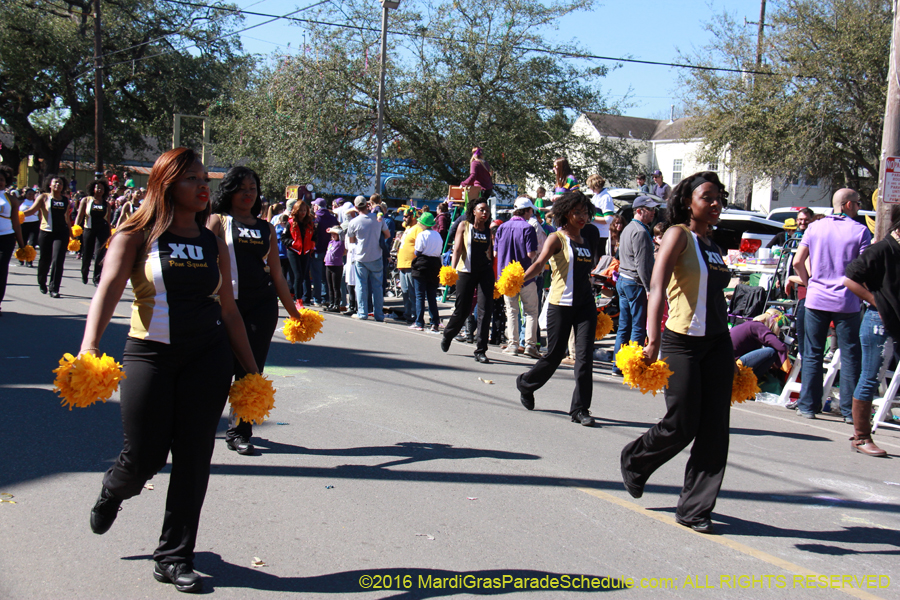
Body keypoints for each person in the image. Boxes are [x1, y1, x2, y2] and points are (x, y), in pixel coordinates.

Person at [83, 148, 258, 593]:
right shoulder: (136, 234)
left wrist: (251, 371)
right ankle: (115, 489)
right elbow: (108, 289)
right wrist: (89, 347)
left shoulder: (212, 241)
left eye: (204, 178)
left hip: (208, 357)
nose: (203, 186)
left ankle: (174, 556)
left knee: (194, 458)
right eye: (191, 179)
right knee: (144, 456)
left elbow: (229, 309)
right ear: (166, 184)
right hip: (150, 355)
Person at [620, 171, 733, 534]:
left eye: (718, 198)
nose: (715, 203)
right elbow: (656, 286)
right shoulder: (677, 235)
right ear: (688, 201)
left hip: (717, 342)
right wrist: (652, 340)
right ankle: (636, 460)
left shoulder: (712, 244)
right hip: (681, 341)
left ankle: (695, 508)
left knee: (715, 428)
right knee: (682, 422)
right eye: (707, 197)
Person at [208, 165, 302, 456]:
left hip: (261, 306)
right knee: (218, 368)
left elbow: (277, 274)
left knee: (251, 369)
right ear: (230, 191)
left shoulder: (266, 228)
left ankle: (240, 432)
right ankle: (202, 425)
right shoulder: (218, 221)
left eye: (253, 188)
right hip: (225, 305)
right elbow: (205, 263)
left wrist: (295, 312)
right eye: (242, 188)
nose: (248, 194)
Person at [515, 190, 597, 425]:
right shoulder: (556, 238)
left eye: (585, 212)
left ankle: (580, 409)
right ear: (566, 213)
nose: (582, 217)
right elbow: (539, 264)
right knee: (554, 355)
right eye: (577, 212)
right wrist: (518, 282)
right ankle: (526, 383)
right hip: (561, 304)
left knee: (584, 358)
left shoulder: (586, 239)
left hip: (585, 305)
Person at [792, 189, 870, 421]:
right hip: (847, 300)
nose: (858, 207)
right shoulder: (860, 231)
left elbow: (797, 261)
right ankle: (849, 411)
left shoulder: (815, 227)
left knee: (813, 353)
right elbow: (865, 269)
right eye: (857, 203)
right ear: (847, 205)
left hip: (817, 298)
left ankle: (808, 405)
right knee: (850, 355)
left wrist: (810, 283)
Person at [842, 204, 900, 457]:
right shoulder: (881, 249)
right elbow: (849, 278)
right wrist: (875, 301)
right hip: (879, 321)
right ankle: (861, 436)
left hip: (895, 321)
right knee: (871, 377)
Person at [440, 197, 495, 363]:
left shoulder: (488, 230)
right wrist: (452, 270)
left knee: (485, 311)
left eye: (487, 210)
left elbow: (490, 253)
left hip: (485, 272)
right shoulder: (464, 226)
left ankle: (481, 350)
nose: (485, 213)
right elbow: (457, 250)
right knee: (462, 310)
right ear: (473, 211)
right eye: (481, 210)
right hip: (466, 271)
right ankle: (449, 333)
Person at [613, 196, 660, 376]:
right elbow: (642, 265)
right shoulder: (640, 232)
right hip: (635, 283)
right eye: (650, 209)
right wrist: (649, 288)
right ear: (639, 211)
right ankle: (633, 367)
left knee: (624, 326)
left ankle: (618, 366)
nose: (653, 212)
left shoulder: (628, 229)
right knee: (638, 327)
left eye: (654, 209)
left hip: (624, 280)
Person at [495, 197, 540, 358]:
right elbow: (531, 254)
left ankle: (513, 345)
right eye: (531, 210)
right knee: (531, 311)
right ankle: (530, 345)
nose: (532, 213)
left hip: (506, 277)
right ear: (526, 211)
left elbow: (495, 253)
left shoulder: (502, 227)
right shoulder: (528, 228)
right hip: (526, 276)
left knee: (512, 311)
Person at [22, 175, 72, 298]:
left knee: (58, 260)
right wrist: (17, 216)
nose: (58, 185)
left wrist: (72, 234)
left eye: (60, 183)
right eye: (55, 183)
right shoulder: (43, 197)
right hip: (46, 232)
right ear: (50, 185)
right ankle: (41, 281)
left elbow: (67, 218)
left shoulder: (65, 200)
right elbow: (32, 211)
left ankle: (54, 288)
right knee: (45, 259)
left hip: (61, 233)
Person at [347, 195, 390, 321]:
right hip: (376, 255)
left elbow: (351, 240)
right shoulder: (378, 219)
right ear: (367, 205)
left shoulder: (353, 222)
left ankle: (362, 312)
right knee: (377, 287)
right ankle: (379, 314)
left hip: (360, 256)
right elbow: (387, 234)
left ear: (356, 207)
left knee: (361, 286)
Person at [730, 310, 791, 380]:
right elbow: (780, 346)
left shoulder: (749, 324)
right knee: (772, 352)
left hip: (729, 363)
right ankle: (754, 382)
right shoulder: (758, 326)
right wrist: (785, 368)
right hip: (734, 365)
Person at [75, 179, 113, 285]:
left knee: (99, 254)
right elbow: (80, 216)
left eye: (102, 188)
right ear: (93, 189)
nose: (99, 190)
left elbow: (108, 220)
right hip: (89, 229)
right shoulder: (86, 200)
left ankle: (97, 277)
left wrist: (110, 235)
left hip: (102, 230)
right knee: (87, 253)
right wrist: (76, 228)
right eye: (97, 188)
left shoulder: (107, 204)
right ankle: (84, 272)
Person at [411, 212, 443, 332]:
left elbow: (418, 251)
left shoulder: (422, 235)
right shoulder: (437, 235)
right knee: (431, 296)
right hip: (435, 265)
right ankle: (435, 322)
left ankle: (419, 322)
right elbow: (439, 251)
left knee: (420, 295)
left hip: (422, 264)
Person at [0, 166, 25, 315]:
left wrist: (22, 245)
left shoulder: (11, 199)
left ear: (6, 181)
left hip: (6, 238)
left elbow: (16, 223)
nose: (0, 182)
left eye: (2, 180)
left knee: (1, 270)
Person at [309, 198, 339, 306]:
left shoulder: (315, 219)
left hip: (317, 249)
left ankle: (317, 298)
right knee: (327, 276)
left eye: (314, 205)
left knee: (317, 276)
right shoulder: (333, 218)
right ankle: (327, 297)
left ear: (317, 206)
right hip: (330, 250)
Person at [285, 199, 315, 308]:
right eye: (301, 210)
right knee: (297, 275)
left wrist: (312, 244)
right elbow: (284, 238)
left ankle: (292, 292)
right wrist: (291, 243)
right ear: (296, 210)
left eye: (304, 210)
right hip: (294, 251)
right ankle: (299, 300)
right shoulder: (290, 223)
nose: (303, 212)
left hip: (305, 251)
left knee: (302, 276)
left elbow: (314, 236)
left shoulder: (310, 223)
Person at [396, 207, 424, 323]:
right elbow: (404, 223)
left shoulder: (418, 228)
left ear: (413, 217)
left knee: (412, 292)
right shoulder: (408, 227)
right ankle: (407, 313)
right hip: (402, 263)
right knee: (405, 291)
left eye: (406, 216)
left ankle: (414, 314)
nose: (403, 218)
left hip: (411, 264)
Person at [587, 174, 615, 255]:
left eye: (591, 187)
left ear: (595, 186)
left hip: (601, 234)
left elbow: (608, 219)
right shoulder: (595, 197)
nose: (590, 189)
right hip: (593, 232)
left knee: (597, 259)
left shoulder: (606, 198)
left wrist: (591, 218)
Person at [324, 226, 346, 312]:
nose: (333, 235)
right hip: (328, 265)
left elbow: (341, 233)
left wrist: (331, 229)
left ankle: (337, 305)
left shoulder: (340, 242)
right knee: (330, 286)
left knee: (335, 286)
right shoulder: (331, 242)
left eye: (334, 234)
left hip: (336, 266)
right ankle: (331, 303)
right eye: (332, 234)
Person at [18, 188, 40, 266]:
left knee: (32, 243)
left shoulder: (36, 203)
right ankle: (21, 258)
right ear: (26, 195)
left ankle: (29, 260)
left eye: (33, 194)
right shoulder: (20, 202)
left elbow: (40, 214)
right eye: (29, 194)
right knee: (22, 242)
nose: (31, 196)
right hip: (23, 224)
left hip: (34, 224)